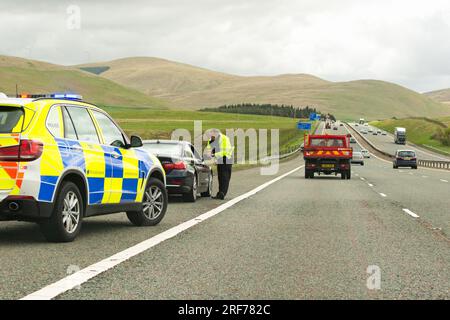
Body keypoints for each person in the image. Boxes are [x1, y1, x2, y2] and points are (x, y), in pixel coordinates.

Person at [205, 129, 234, 200]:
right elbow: (208, 149)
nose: (211, 137)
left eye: (212, 136)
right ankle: (220, 192)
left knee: (225, 176)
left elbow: (225, 151)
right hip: (219, 159)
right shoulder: (211, 140)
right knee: (220, 176)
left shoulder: (224, 138)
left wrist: (214, 155)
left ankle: (222, 193)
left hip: (226, 158)